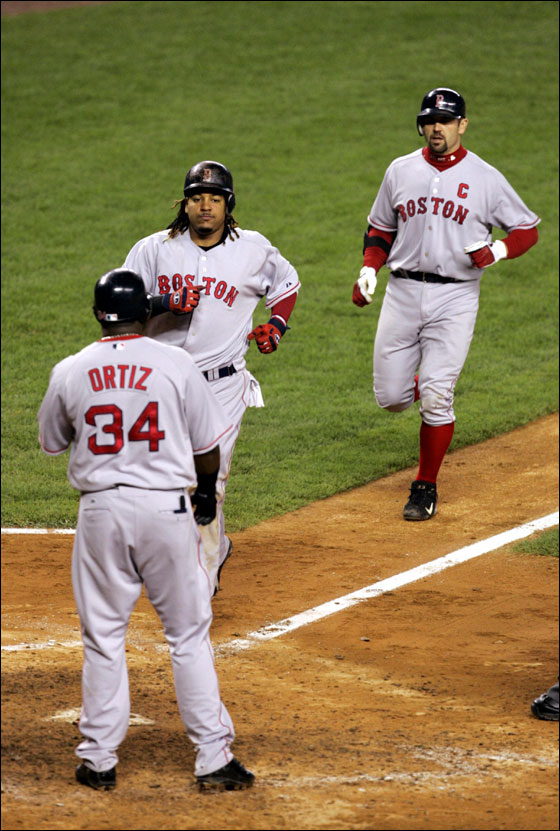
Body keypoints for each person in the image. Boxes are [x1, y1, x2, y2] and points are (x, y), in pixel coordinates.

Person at [37, 268, 255, 792]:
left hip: (100, 515)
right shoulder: (175, 362)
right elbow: (207, 444)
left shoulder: (71, 369)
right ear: (147, 312)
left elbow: (51, 439)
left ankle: (98, 761)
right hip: (166, 511)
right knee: (187, 634)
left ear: (98, 314)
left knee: (104, 638)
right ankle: (212, 759)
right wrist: (205, 493)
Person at [352, 87, 540, 521]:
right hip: (401, 292)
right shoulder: (400, 171)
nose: (437, 128)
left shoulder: (485, 178)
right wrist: (368, 269)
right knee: (391, 398)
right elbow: (380, 230)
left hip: (455, 296)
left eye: (446, 120)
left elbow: (526, 229)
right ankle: (424, 384)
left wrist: (498, 251)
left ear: (462, 125)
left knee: (437, 397)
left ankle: (425, 485)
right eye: (430, 121)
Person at [122, 160, 300, 591]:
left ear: (228, 205)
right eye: (197, 198)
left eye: (214, 199)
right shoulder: (153, 249)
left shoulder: (253, 249)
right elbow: (122, 307)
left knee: (208, 480)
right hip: (159, 384)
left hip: (221, 385)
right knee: (161, 478)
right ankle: (208, 550)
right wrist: (164, 301)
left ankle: (202, 578)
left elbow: (287, 283)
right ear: (184, 204)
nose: (205, 206)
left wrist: (276, 325)